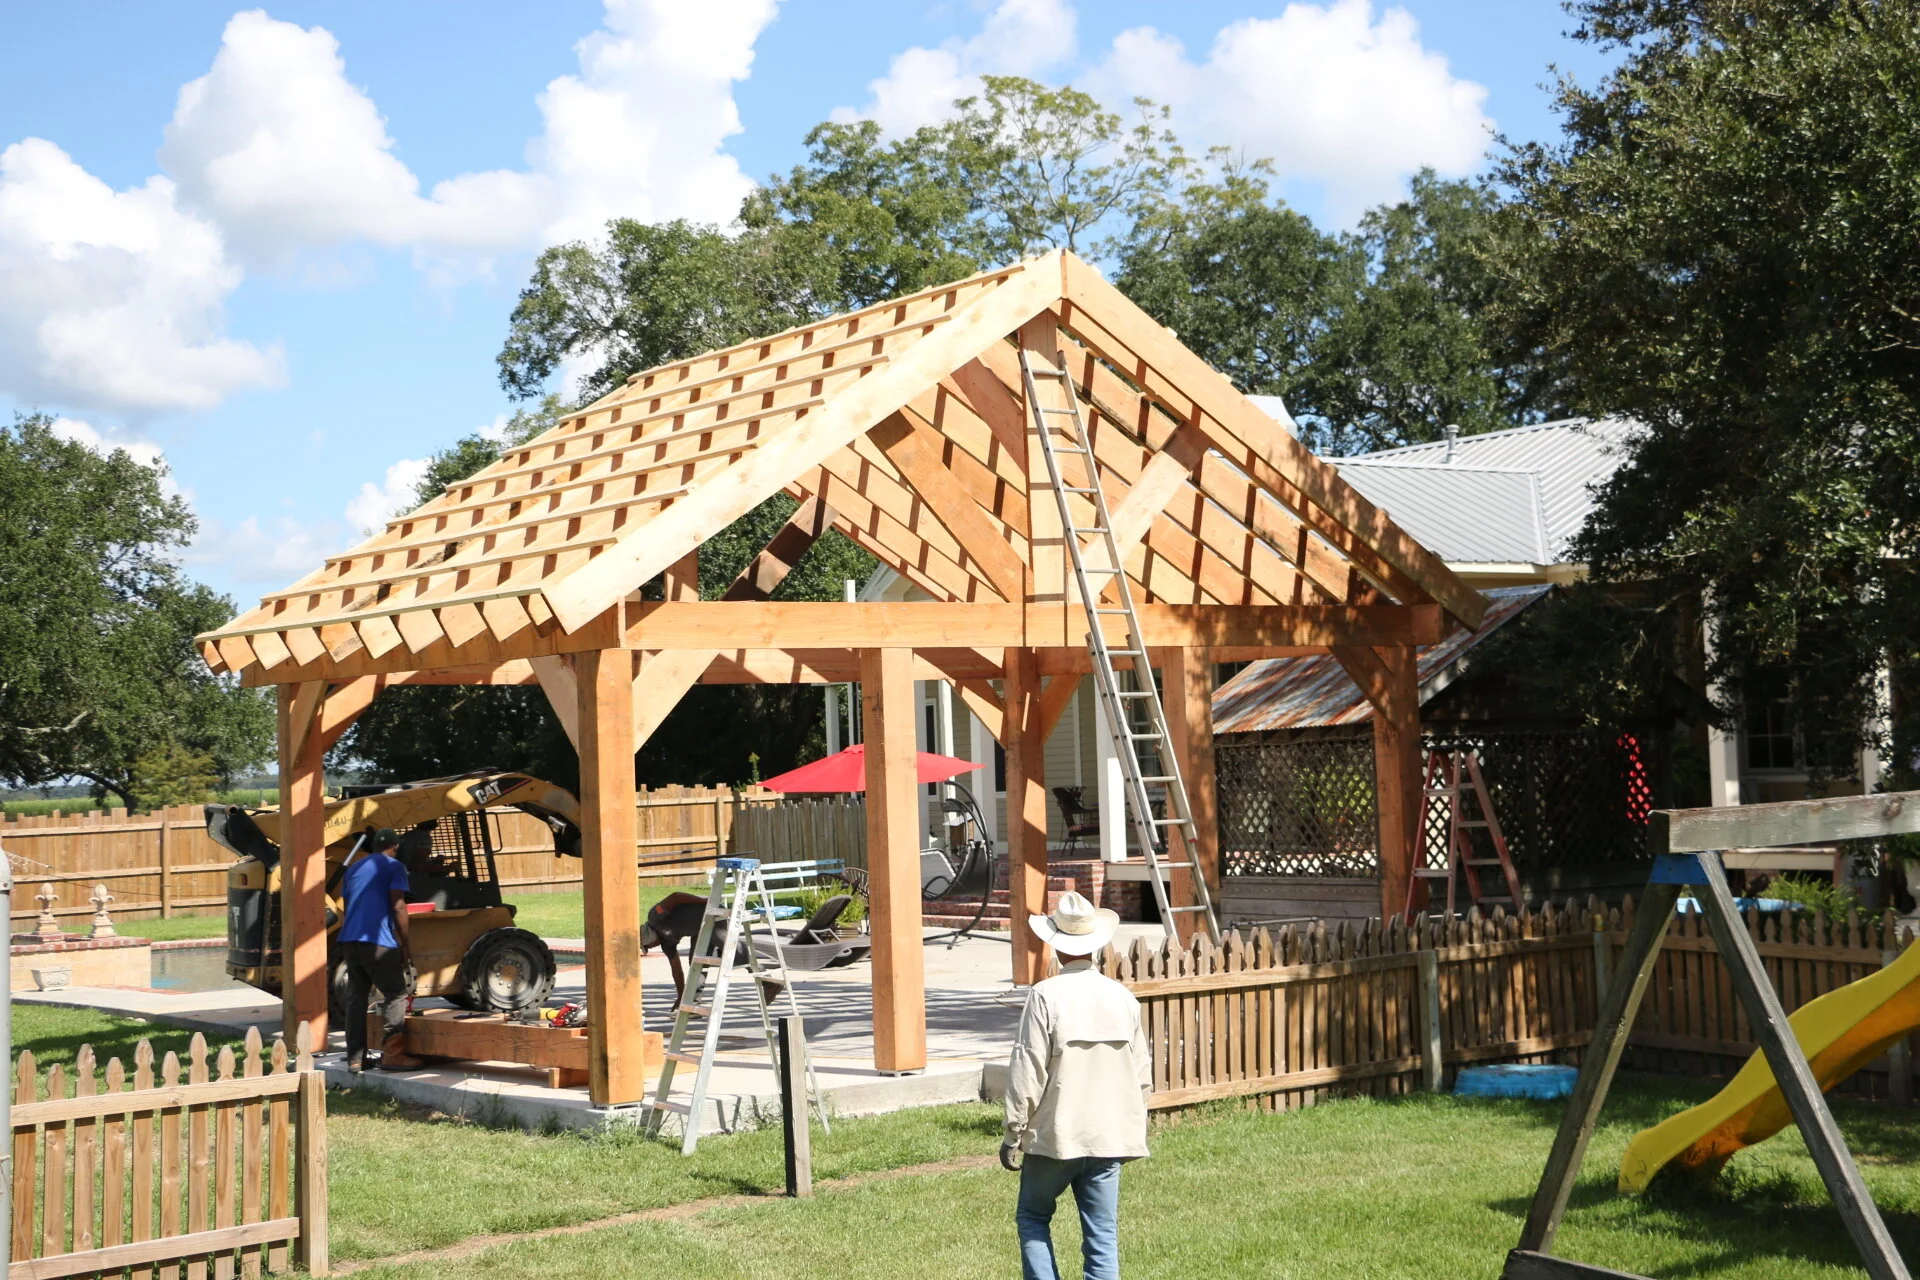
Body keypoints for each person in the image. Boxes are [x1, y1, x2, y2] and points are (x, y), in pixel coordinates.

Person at [1002, 891, 1151, 1280]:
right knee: (1102, 1235)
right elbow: (1142, 1078)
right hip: (1107, 1138)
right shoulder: (1123, 999)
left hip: (1056, 1137)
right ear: (1097, 946)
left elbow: (1027, 1070)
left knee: (1033, 1217)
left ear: (1055, 946)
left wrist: (1013, 1131)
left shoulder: (1044, 996)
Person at [338, 827, 421, 1072]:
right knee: (396, 994)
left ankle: (355, 1058)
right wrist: (406, 945)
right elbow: (398, 906)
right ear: (395, 847)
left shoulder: (353, 868)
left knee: (357, 998)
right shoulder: (393, 866)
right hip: (376, 941)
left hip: (350, 940)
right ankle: (393, 1055)